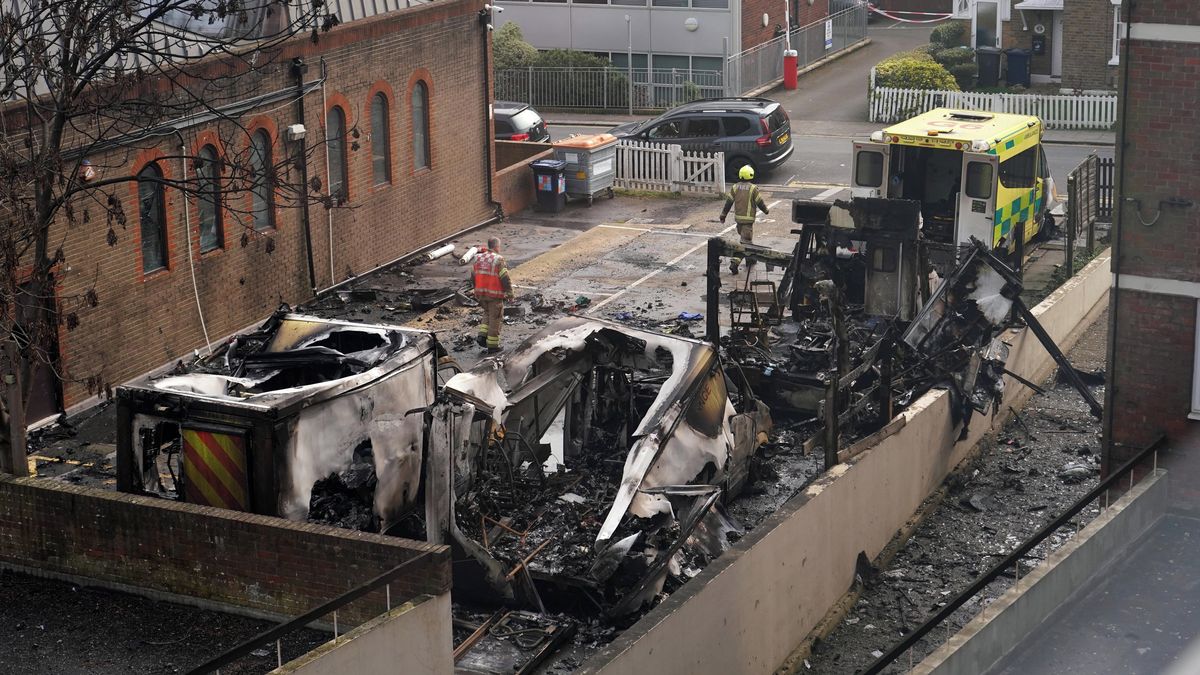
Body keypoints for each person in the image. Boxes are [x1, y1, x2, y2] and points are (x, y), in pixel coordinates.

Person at [720, 165, 769, 274]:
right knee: (745, 243)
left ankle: (750, 259)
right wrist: (765, 210)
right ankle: (735, 262)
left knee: (747, 241)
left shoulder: (735, 187)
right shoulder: (753, 188)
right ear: (751, 175)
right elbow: (760, 202)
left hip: (738, 221)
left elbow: (728, 202)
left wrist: (723, 215)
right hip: (748, 221)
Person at [473, 237, 514, 353]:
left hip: (481, 293)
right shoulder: (498, 260)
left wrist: (476, 290)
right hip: (494, 295)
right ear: (496, 247)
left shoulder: (478, 258)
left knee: (487, 313)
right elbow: (505, 278)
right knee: (496, 318)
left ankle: (482, 336)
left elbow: (473, 275)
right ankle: (493, 346)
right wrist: (510, 293)